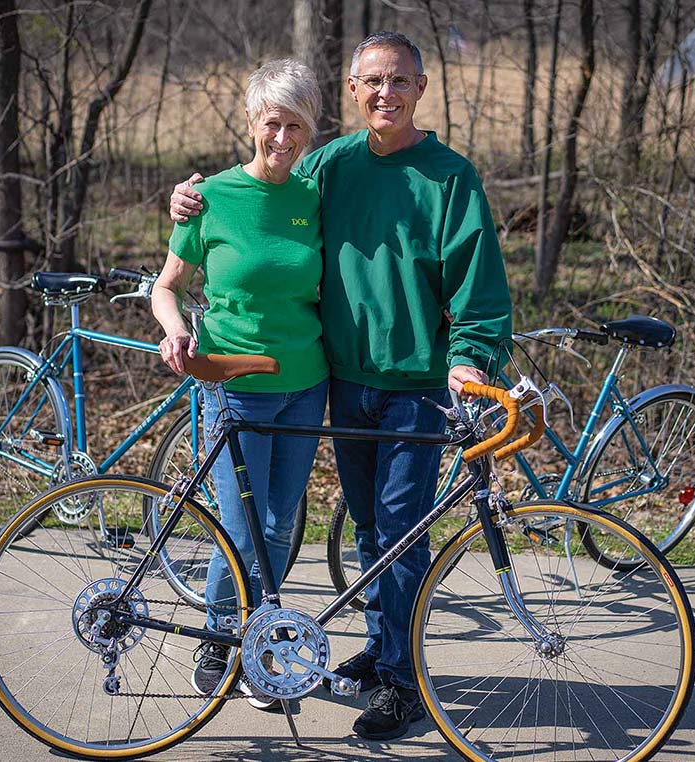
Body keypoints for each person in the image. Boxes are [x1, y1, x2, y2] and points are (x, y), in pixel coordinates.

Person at [170, 32, 512, 740]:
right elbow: (259, 192)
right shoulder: (330, 165)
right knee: (369, 531)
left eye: (399, 81)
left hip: (417, 387)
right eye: (372, 82)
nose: (385, 93)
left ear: (421, 87)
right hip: (343, 382)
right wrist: (186, 200)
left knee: (399, 532)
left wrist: (471, 357)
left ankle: (403, 681)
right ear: (353, 91)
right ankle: (382, 650)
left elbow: (481, 291)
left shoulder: (450, 178)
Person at [151, 59, 329, 711]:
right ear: (251, 120)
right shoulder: (211, 198)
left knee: (281, 525)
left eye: (297, 127)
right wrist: (174, 332)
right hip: (233, 384)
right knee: (238, 526)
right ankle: (218, 636)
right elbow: (165, 287)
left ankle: (258, 647)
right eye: (272, 124)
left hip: (306, 383)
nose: (283, 140)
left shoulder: (314, 197)